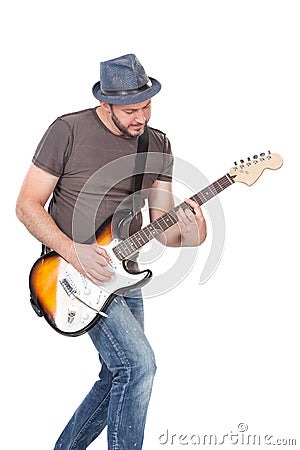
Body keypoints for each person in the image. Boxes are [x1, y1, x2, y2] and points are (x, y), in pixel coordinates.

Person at [16, 53, 207, 450]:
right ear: (105, 103)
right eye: (130, 110)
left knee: (116, 375)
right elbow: (27, 205)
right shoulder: (67, 130)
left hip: (125, 274)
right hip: (72, 274)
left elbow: (164, 230)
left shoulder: (157, 144)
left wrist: (193, 232)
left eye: (147, 105)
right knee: (138, 367)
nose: (141, 117)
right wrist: (73, 251)